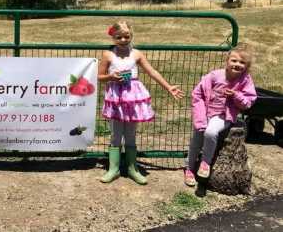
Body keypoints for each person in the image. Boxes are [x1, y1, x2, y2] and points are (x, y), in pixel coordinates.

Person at [98, 21, 184, 184]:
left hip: (133, 99)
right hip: (116, 99)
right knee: (116, 135)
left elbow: (151, 71)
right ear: (113, 37)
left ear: (131, 36)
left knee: (130, 135)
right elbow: (99, 76)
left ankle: (132, 168)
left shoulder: (136, 54)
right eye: (119, 37)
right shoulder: (108, 55)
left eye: (126, 36)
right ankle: (113, 169)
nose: (123, 40)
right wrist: (111, 77)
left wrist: (168, 87)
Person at [184, 44, 257, 187]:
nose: (237, 65)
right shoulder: (215, 76)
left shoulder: (245, 80)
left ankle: (205, 162)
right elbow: (197, 95)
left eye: (242, 62)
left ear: (247, 65)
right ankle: (189, 169)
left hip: (223, 115)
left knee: (211, 132)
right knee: (197, 141)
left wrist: (236, 95)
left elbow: (248, 102)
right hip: (204, 112)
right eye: (234, 60)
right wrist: (200, 118)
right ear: (227, 60)